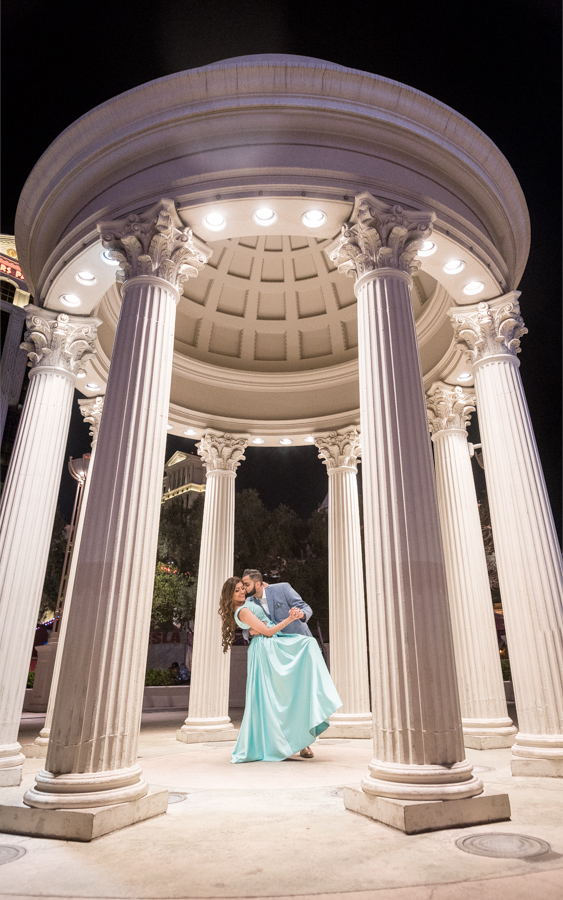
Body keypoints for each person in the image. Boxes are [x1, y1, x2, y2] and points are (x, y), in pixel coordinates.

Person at [219, 576, 342, 764]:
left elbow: (258, 625)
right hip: (266, 648)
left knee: (283, 691)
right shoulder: (243, 608)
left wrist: (259, 627)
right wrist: (288, 619)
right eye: (237, 590)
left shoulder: (256, 599)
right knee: (275, 695)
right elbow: (262, 629)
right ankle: (282, 742)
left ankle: (298, 735)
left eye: (242, 588)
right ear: (229, 595)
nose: (242, 591)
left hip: (270, 644)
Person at [241, 569, 312, 637]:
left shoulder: (282, 588)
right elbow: (245, 630)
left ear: (257, 584)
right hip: (275, 645)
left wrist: (302, 614)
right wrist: (250, 632)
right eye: (243, 585)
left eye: (247, 585)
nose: (244, 588)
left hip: (300, 640)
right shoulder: (248, 603)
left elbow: (305, 607)